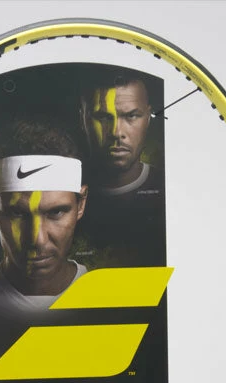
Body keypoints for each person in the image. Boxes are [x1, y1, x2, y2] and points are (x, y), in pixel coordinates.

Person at [0, 120, 89, 328]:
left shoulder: (108, 297)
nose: (37, 239)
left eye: (56, 212)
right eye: (17, 213)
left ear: (81, 204)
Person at [79, 72, 165, 265]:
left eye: (131, 116)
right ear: (82, 119)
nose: (117, 132)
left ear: (148, 119)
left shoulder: (168, 188)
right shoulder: (58, 194)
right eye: (102, 117)